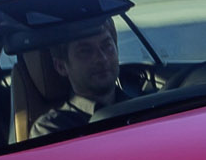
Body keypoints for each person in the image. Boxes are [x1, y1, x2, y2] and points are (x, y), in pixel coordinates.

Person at [23, 16, 164, 138]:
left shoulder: (143, 105)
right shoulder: (52, 127)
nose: (101, 58)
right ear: (61, 66)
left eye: (107, 46)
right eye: (85, 51)